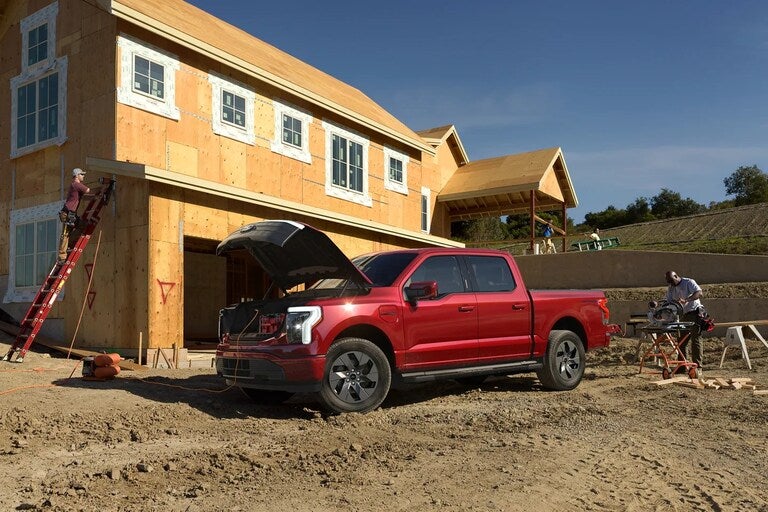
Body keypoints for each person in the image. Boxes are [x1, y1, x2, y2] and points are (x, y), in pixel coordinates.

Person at [664, 270, 705, 374]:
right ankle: (682, 366)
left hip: (695, 312)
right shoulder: (671, 288)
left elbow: (699, 292)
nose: (671, 284)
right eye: (669, 282)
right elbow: (668, 301)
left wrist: (687, 299)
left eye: (672, 281)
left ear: (676, 276)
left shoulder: (688, 282)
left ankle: (697, 367)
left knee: (696, 339)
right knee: (682, 341)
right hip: (682, 315)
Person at [57, 168, 98, 262]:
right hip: (67, 214)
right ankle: (62, 257)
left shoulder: (76, 188)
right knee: (65, 234)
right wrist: (99, 190)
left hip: (72, 215)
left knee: (82, 225)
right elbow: (87, 190)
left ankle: (69, 244)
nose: (83, 176)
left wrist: (95, 197)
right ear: (77, 175)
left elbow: (84, 197)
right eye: (82, 174)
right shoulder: (76, 184)